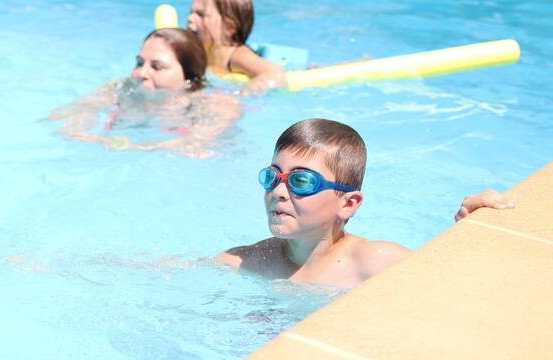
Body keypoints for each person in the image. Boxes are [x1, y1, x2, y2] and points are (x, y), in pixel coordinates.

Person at [216, 118, 514, 288]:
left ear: (348, 204)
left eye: (301, 181)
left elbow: (457, 283)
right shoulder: (252, 261)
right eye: (273, 177)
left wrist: (467, 230)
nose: (279, 191)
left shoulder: (372, 262)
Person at [48, 28, 241, 158]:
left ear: (189, 77)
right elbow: (63, 117)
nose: (142, 73)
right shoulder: (121, 89)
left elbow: (199, 147)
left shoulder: (216, 104)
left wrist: (134, 147)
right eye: (140, 63)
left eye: (157, 67)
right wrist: (80, 123)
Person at [186, 0, 286, 92]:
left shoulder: (235, 55)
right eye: (191, 12)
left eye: (201, 14)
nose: (189, 18)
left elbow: (274, 73)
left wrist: (240, 94)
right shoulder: (198, 52)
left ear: (229, 28)